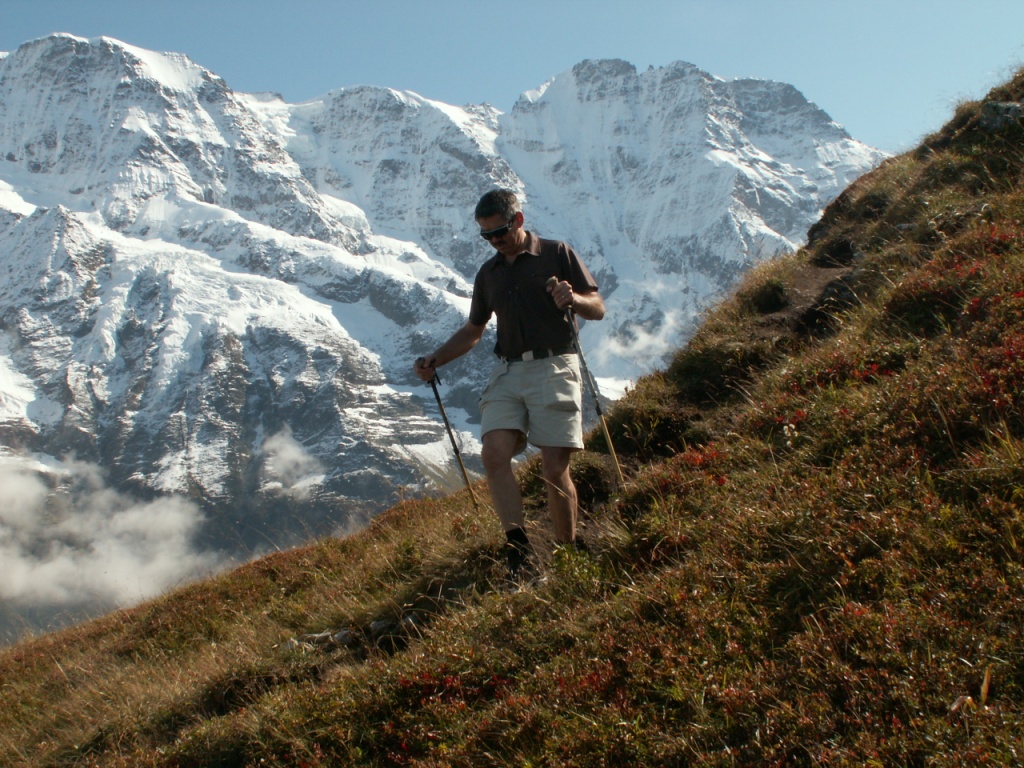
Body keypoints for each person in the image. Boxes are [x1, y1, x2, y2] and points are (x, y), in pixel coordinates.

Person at [414, 189, 605, 580]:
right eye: (486, 236)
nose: (494, 241)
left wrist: (573, 299)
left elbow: (596, 308)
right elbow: (474, 329)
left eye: (499, 232)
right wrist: (437, 358)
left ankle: (567, 550)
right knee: (494, 454)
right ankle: (518, 547)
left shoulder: (557, 253)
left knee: (554, 467)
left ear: (517, 220)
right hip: (507, 370)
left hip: (555, 363)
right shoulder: (489, 273)